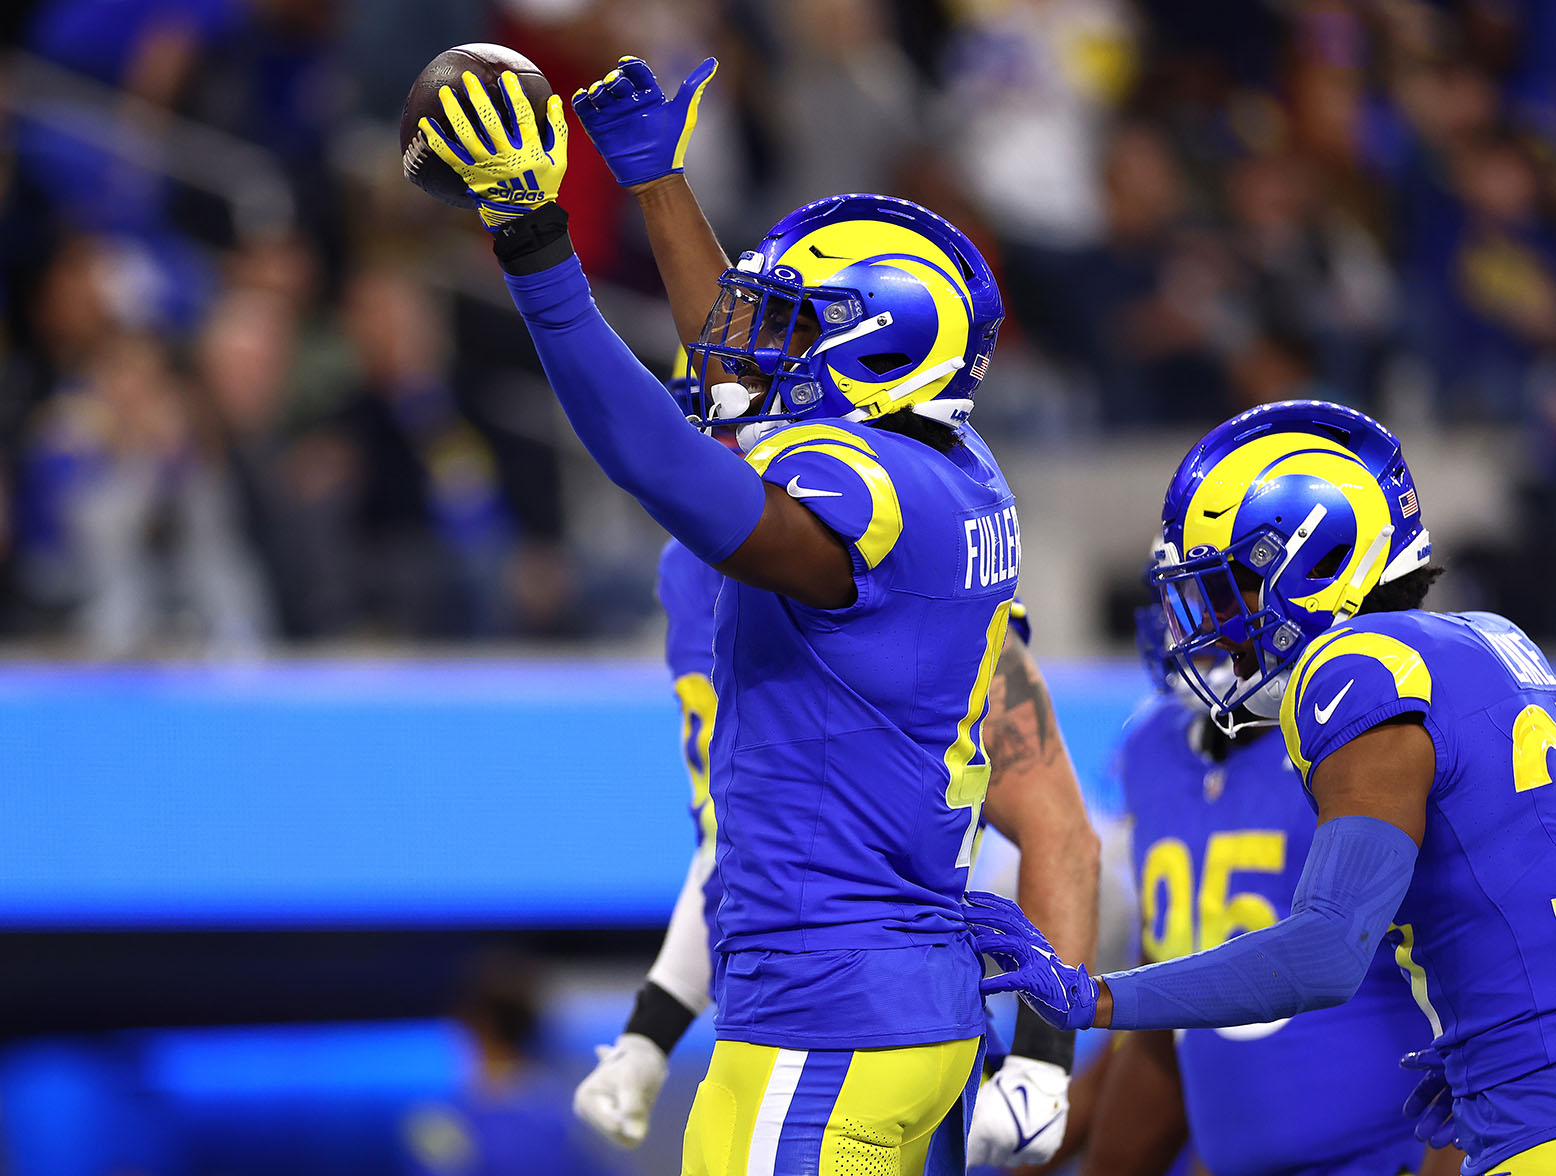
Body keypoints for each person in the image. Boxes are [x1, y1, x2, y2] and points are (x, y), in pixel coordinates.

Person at [412, 57, 1091, 1174]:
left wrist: (536, 244)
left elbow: (664, 457)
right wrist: (656, 183)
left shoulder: (870, 494)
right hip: (850, 993)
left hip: (835, 1004)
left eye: (789, 327)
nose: (744, 344)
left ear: (867, 351)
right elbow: (735, 384)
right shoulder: (936, 461)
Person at [970, 400, 1556, 1176]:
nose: (1206, 623)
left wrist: (1095, 998)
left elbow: (1324, 952)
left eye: (1226, 590)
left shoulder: (1354, 668)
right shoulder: (1494, 640)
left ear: (1314, 562)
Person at [1060, 598, 1441, 1175]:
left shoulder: (1369, 736)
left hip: (1391, 1153)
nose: (1193, 623)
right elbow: (1166, 1033)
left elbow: (1487, 980)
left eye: (1221, 588)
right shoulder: (1152, 746)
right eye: (1184, 594)